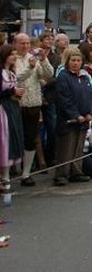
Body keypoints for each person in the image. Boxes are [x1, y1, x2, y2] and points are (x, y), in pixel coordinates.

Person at [14, 32, 53, 186]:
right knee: (13, 139)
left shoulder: (34, 59)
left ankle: (26, 173)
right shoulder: (12, 59)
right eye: (22, 43)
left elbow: (48, 74)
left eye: (27, 43)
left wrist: (43, 60)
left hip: (33, 104)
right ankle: (9, 171)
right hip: (17, 105)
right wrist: (30, 68)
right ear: (15, 44)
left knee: (31, 139)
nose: (25, 46)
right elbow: (16, 78)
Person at [52, 47, 92, 185]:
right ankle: (61, 174)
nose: (76, 63)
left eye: (78, 60)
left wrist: (89, 113)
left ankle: (76, 172)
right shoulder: (63, 76)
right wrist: (75, 114)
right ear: (68, 61)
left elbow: (89, 96)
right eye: (73, 60)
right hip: (68, 119)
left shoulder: (84, 76)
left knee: (78, 147)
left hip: (83, 118)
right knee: (66, 148)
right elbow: (64, 98)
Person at [1, 43, 26, 193]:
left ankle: (6, 175)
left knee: (11, 140)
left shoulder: (11, 73)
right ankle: (4, 177)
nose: (14, 57)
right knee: (4, 140)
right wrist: (12, 91)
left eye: (15, 54)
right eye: (11, 54)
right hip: (2, 109)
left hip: (12, 108)